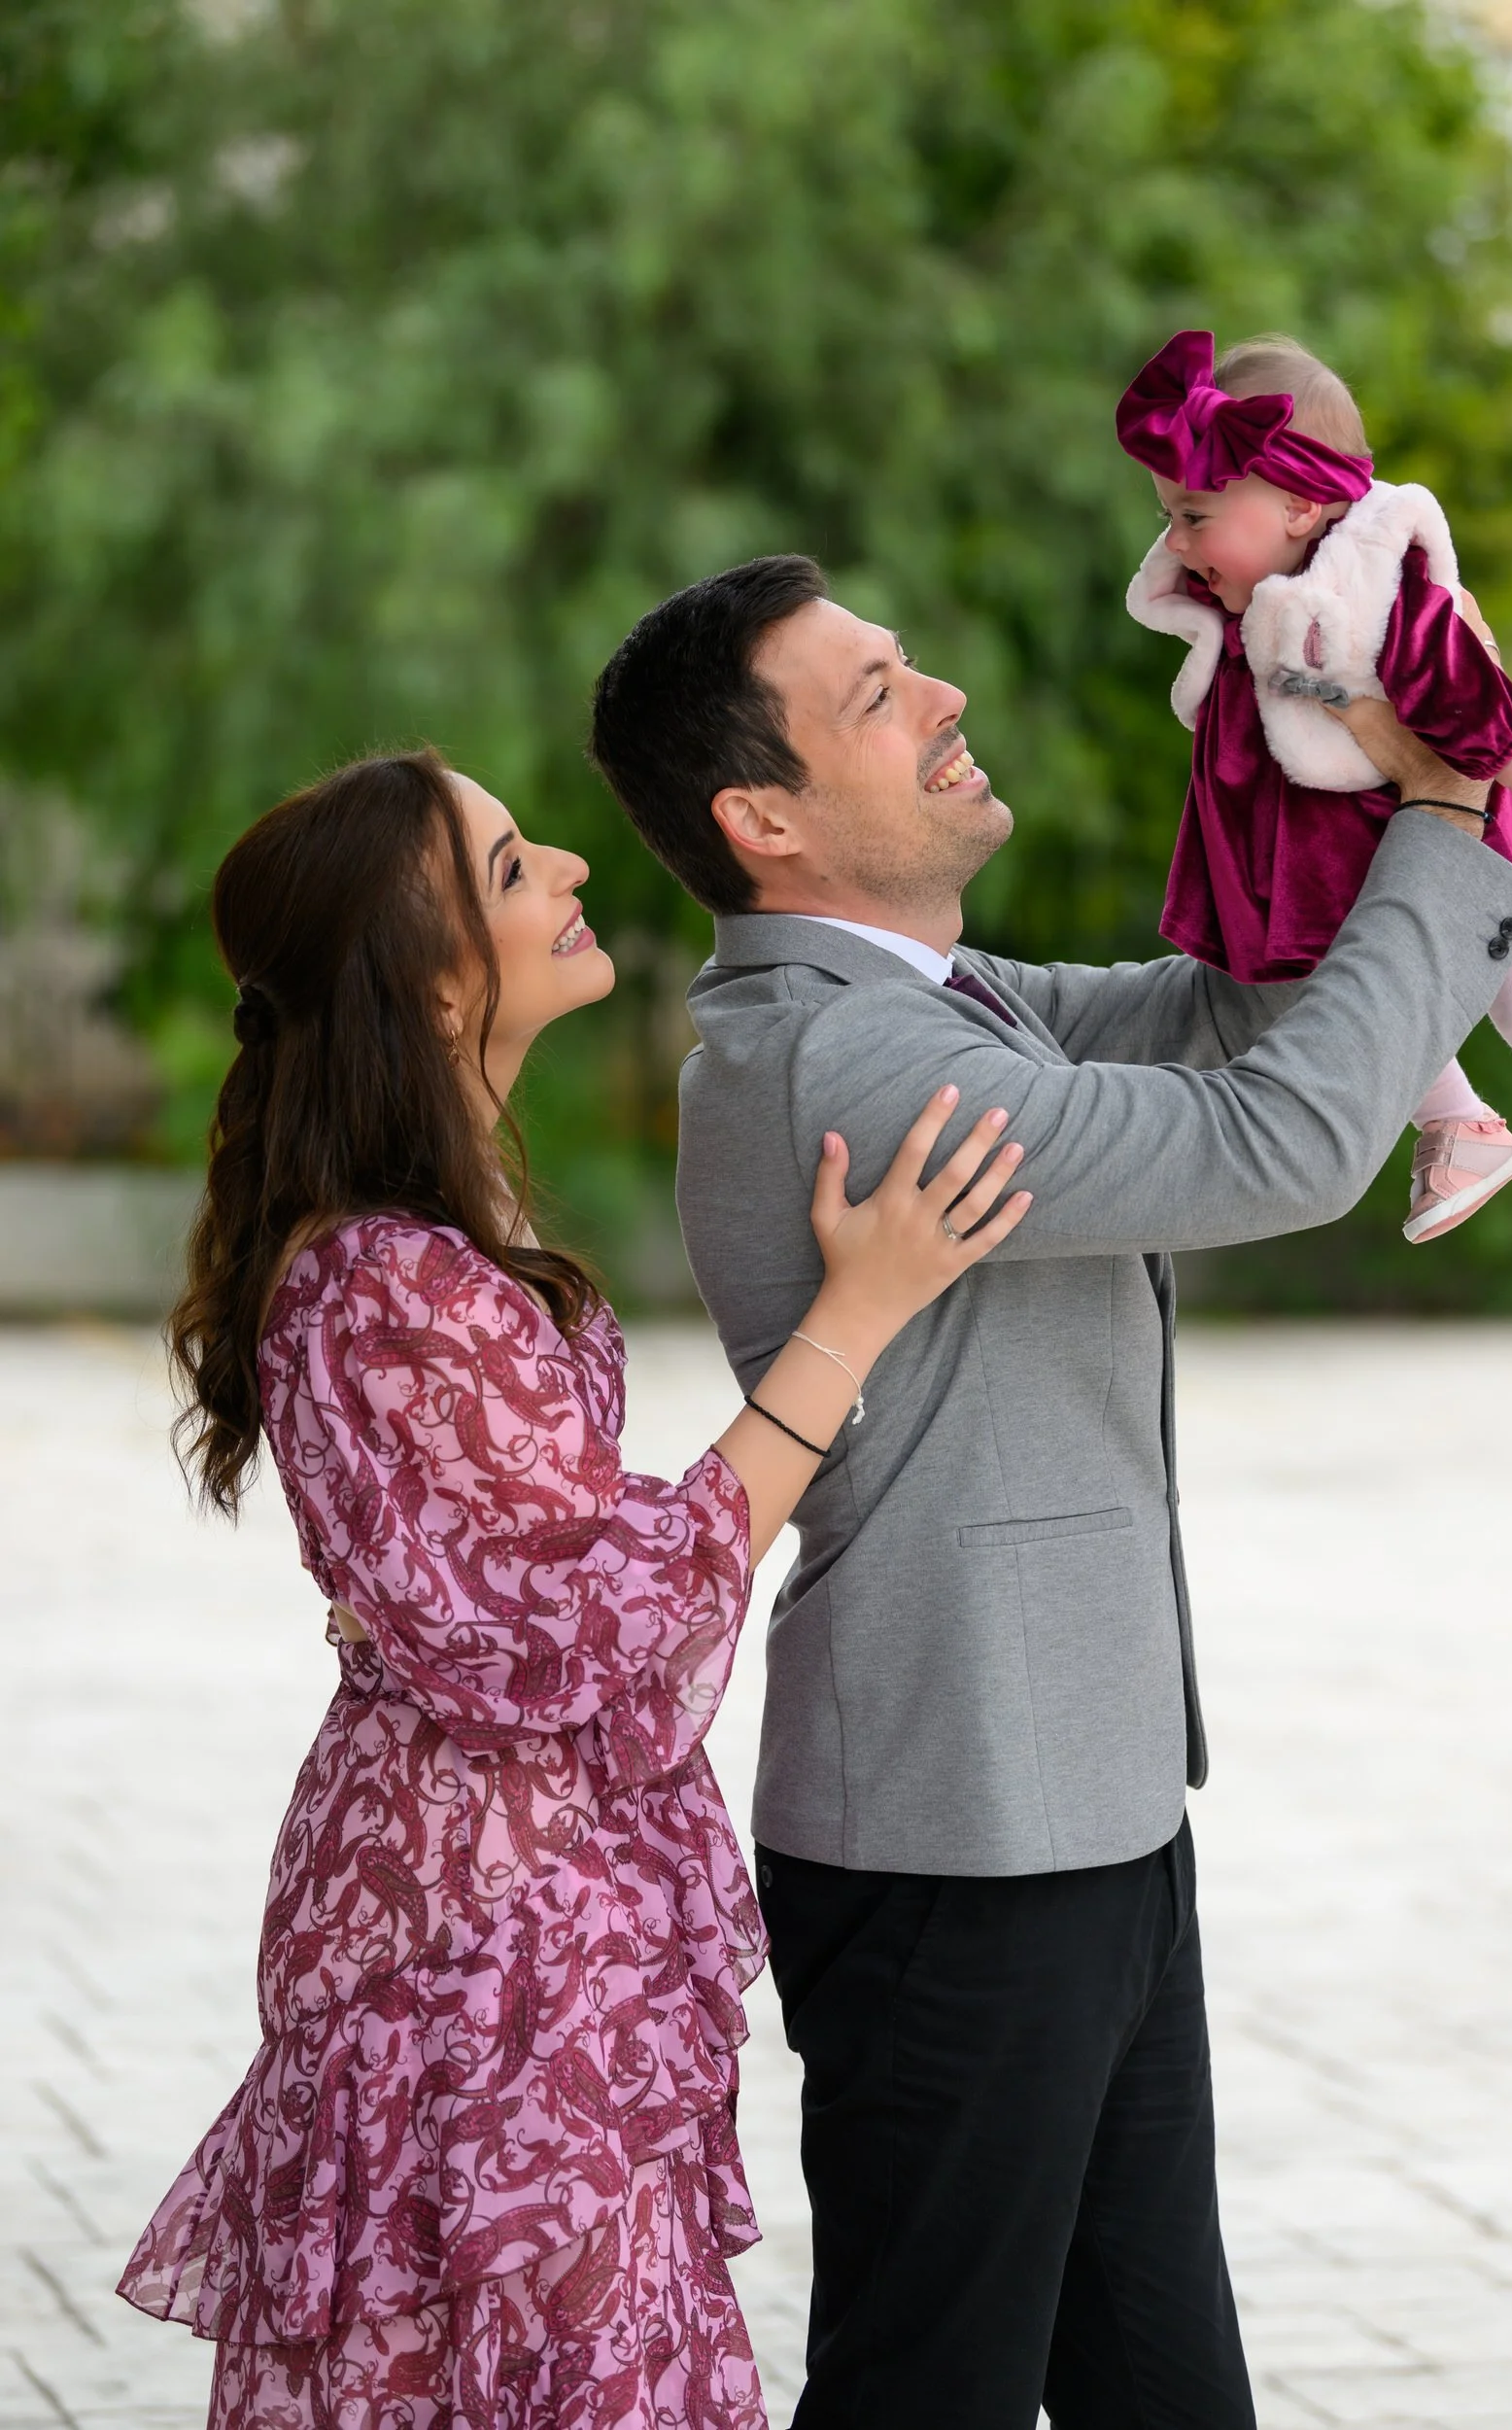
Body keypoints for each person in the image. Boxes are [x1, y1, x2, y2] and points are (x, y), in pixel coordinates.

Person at [589, 553, 1512, 2430]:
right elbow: (1278, 1141)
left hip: (1077, 1802)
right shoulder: (846, 1054)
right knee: (928, 2388)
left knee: (1159, 2383)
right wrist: (1446, 825)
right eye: (876, 693)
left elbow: (1217, 1013)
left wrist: (1334, 768)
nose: (941, 694)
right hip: (955, 1830)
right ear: (760, 817)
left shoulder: (948, 1001)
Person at [115, 745, 1032, 2429]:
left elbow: (538, 1565)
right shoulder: (386, 1275)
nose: (578, 873)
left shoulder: (427, 1239)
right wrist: (854, 1319)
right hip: (479, 1937)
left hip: (511, 1902)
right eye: (516, 862)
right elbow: (571, 1625)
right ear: (428, 958)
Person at [1117, 327, 1512, 1276]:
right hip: (1352, 862)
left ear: (1302, 507)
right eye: (1168, 519)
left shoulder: (1370, 589)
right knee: (1332, 988)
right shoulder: (1255, 611)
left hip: (1485, 844)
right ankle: (1457, 1124)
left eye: (1192, 517)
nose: (1174, 545)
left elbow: (1459, 675)